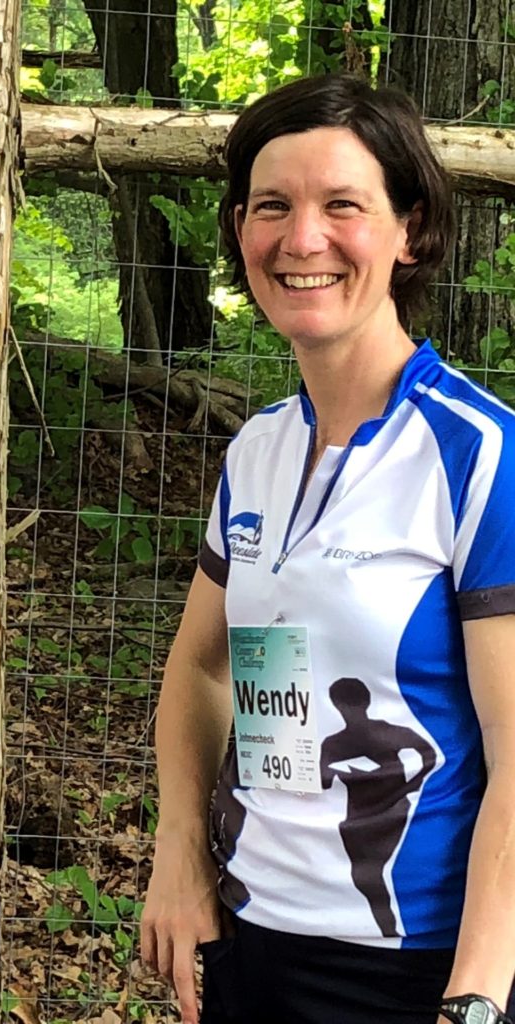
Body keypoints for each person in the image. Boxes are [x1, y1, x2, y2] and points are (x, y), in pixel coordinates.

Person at [140, 73, 515, 1024]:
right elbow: (201, 666)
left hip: (411, 968)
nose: (301, 240)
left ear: (410, 230)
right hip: (248, 940)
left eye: (342, 205)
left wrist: (474, 996)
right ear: (239, 231)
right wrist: (180, 857)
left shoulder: (480, 456)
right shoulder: (258, 447)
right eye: (273, 207)